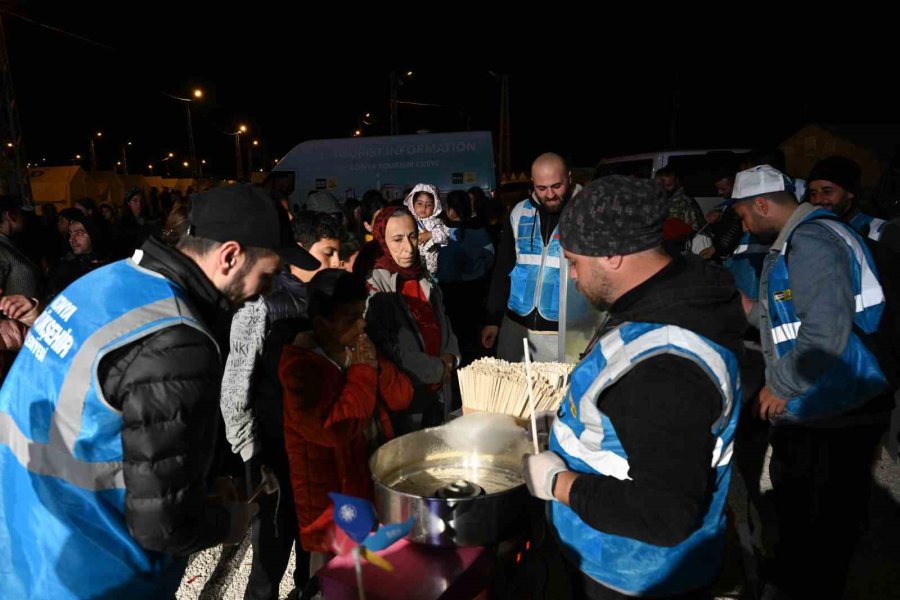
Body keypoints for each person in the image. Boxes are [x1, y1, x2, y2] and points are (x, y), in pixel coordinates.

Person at [0, 183, 310, 599]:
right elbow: (162, 524)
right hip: (96, 570)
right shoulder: (175, 339)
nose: (267, 290)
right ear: (230, 256)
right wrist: (228, 520)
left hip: (26, 542)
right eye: (267, 275)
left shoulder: (106, 283)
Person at [522, 175, 744, 599]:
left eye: (574, 262)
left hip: (634, 573)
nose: (571, 277)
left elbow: (665, 515)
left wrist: (558, 483)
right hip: (611, 555)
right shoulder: (665, 294)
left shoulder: (665, 367)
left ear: (612, 254)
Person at [729, 165, 889, 599]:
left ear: (762, 204)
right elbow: (789, 318)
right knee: (803, 504)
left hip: (838, 404)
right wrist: (746, 308)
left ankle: (810, 585)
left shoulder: (812, 241)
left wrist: (779, 385)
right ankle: (795, 574)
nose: (742, 224)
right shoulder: (798, 240)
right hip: (823, 400)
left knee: (822, 515)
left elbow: (824, 332)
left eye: (744, 214)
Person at [280, 269, 412, 573]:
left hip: (369, 487)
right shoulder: (300, 369)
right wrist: (363, 373)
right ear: (320, 323)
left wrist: (374, 366)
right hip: (333, 504)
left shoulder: (358, 350)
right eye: (350, 319)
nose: (361, 324)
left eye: (362, 314)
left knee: (376, 575)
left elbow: (401, 397)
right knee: (336, 580)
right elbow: (334, 428)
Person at [364, 207, 459, 432]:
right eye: (397, 240)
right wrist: (436, 368)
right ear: (382, 242)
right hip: (407, 397)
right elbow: (386, 347)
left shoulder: (422, 275)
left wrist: (451, 357)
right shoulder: (374, 285)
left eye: (412, 236)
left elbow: (443, 322)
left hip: (439, 388)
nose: (408, 248)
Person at [482, 152, 581, 362]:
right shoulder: (519, 212)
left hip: (564, 332)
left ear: (569, 178)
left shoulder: (587, 212)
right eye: (542, 188)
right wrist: (493, 318)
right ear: (533, 183)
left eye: (557, 186)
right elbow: (503, 267)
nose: (550, 194)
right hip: (516, 328)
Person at [404, 183, 449, 277]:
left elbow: (445, 235)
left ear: (435, 206)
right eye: (419, 203)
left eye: (428, 205)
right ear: (412, 203)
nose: (423, 208)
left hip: (430, 268)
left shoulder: (436, 222)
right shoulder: (407, 220)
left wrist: (430, 234)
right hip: (411, 264)